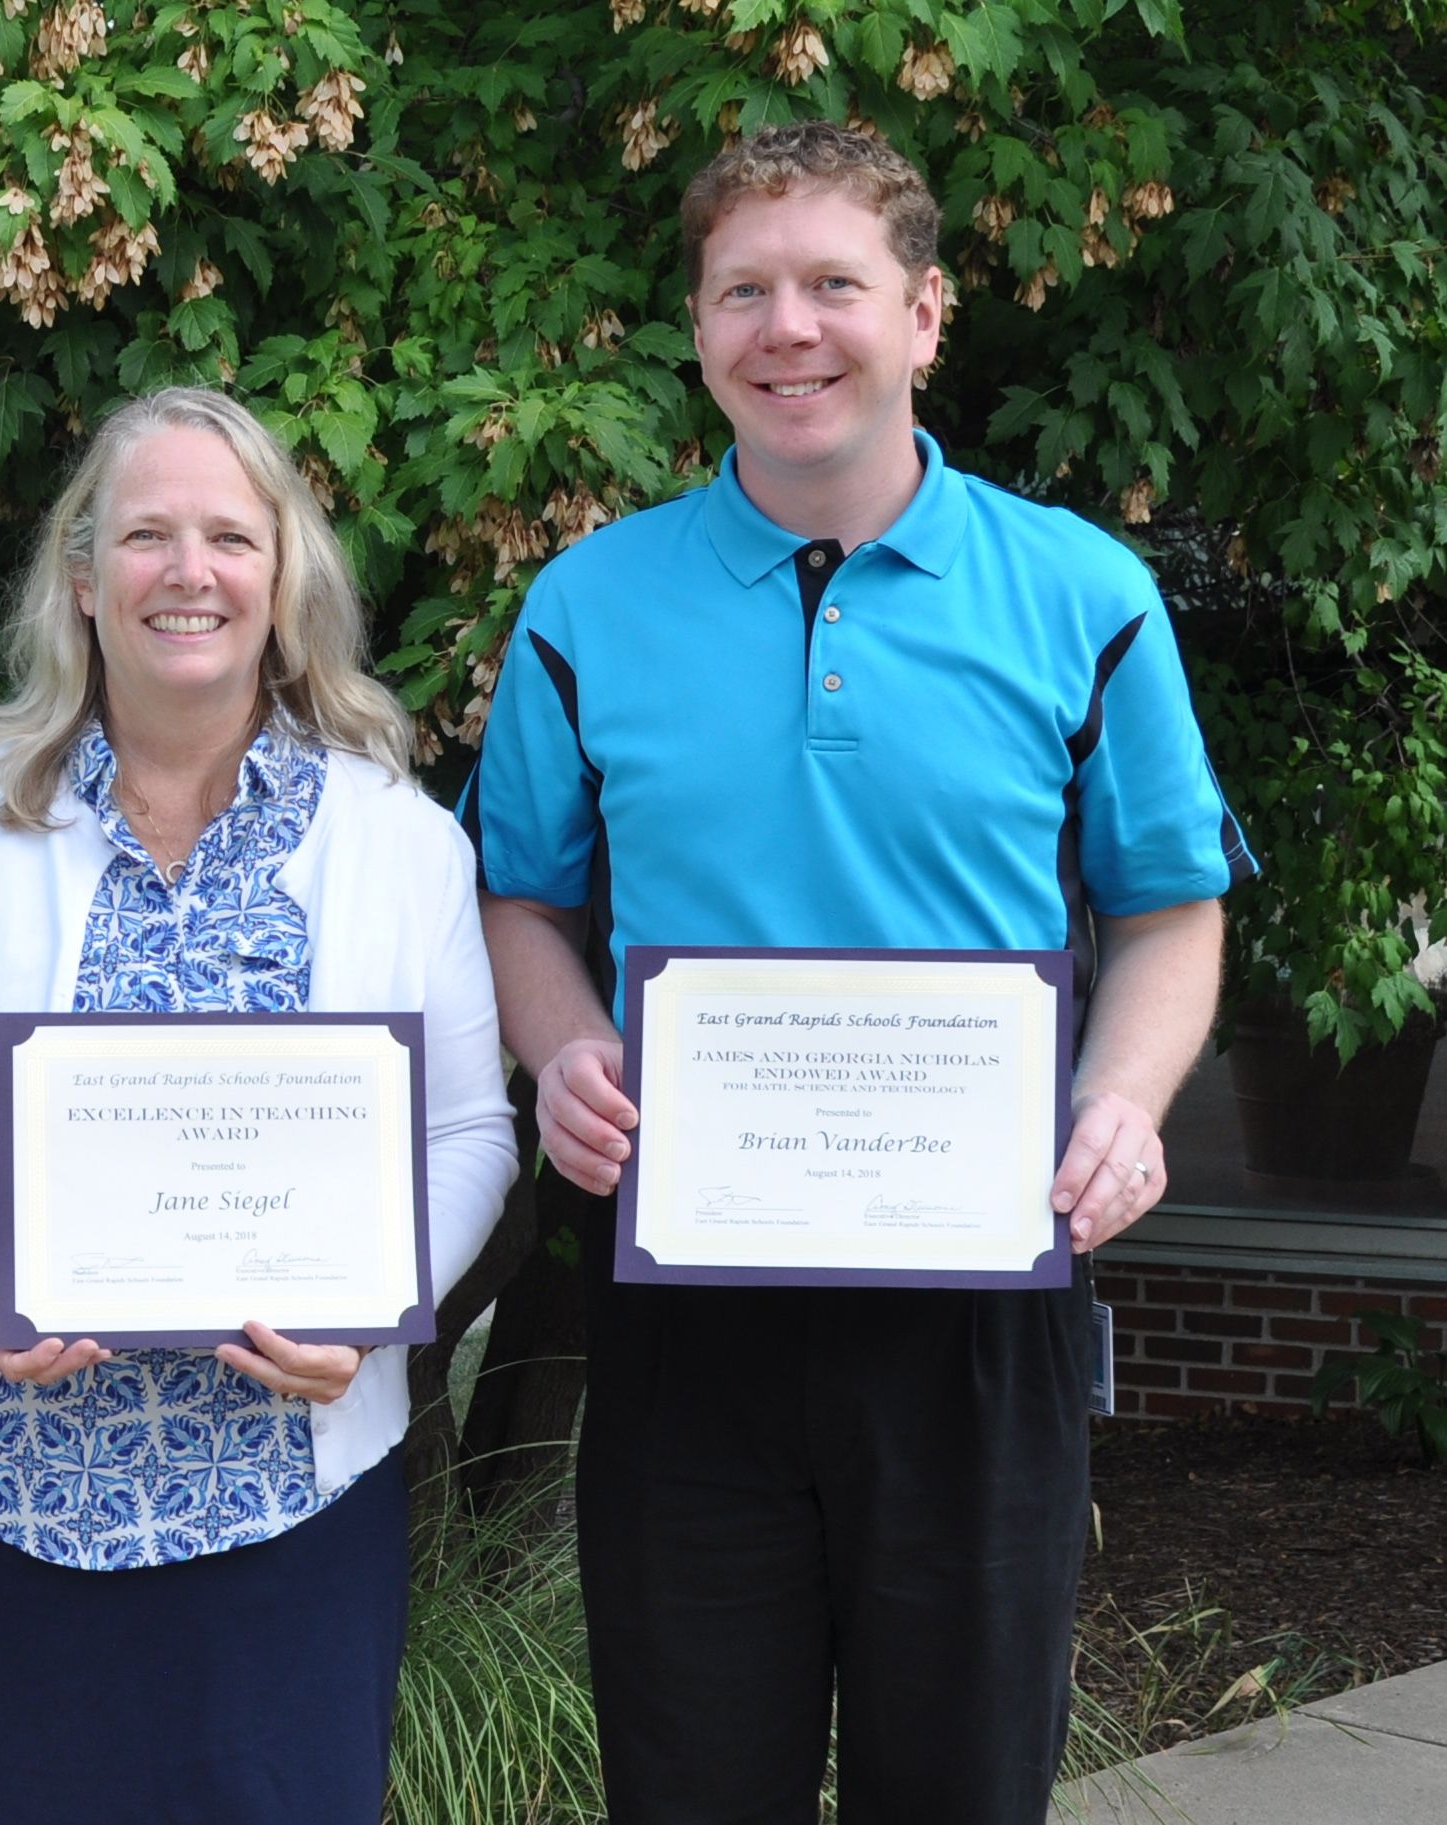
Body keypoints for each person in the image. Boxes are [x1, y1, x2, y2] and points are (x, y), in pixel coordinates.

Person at [466, 121, 1254, 1824]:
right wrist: (565, 1046)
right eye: (743, 290)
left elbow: (1171, 905)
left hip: (976, 1302)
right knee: (692, 1784)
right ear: (697, 330)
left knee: (963, 1786)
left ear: (927, 315)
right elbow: (522, 898)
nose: (788, 327)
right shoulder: (587, 607)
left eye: (834, 282)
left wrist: (1121, 1102)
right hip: (690, 1307)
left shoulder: (1083, 592)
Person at [0, 387, 518, 1820]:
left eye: (228, 535)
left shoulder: (399, 836)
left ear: (283, 575)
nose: (187, 571)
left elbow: (467, 1134)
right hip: (0, 1497)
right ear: (81, 579)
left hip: (295, 1510)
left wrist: (380, 1298)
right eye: (144, 534)